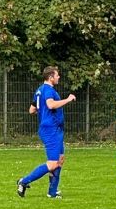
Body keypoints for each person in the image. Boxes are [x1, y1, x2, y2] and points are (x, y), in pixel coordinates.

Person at [17, 66, 76, 198]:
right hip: (51, 130)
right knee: (53, 163)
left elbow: (32, 110)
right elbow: (50, 105)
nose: (59, 77)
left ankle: (52, 192)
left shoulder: (39, 90)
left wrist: (43, 111)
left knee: (60, 159)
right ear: (51, 77)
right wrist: (68, 99)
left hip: (54, 129)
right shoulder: (48, 90)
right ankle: (24, 181)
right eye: (57, 75)